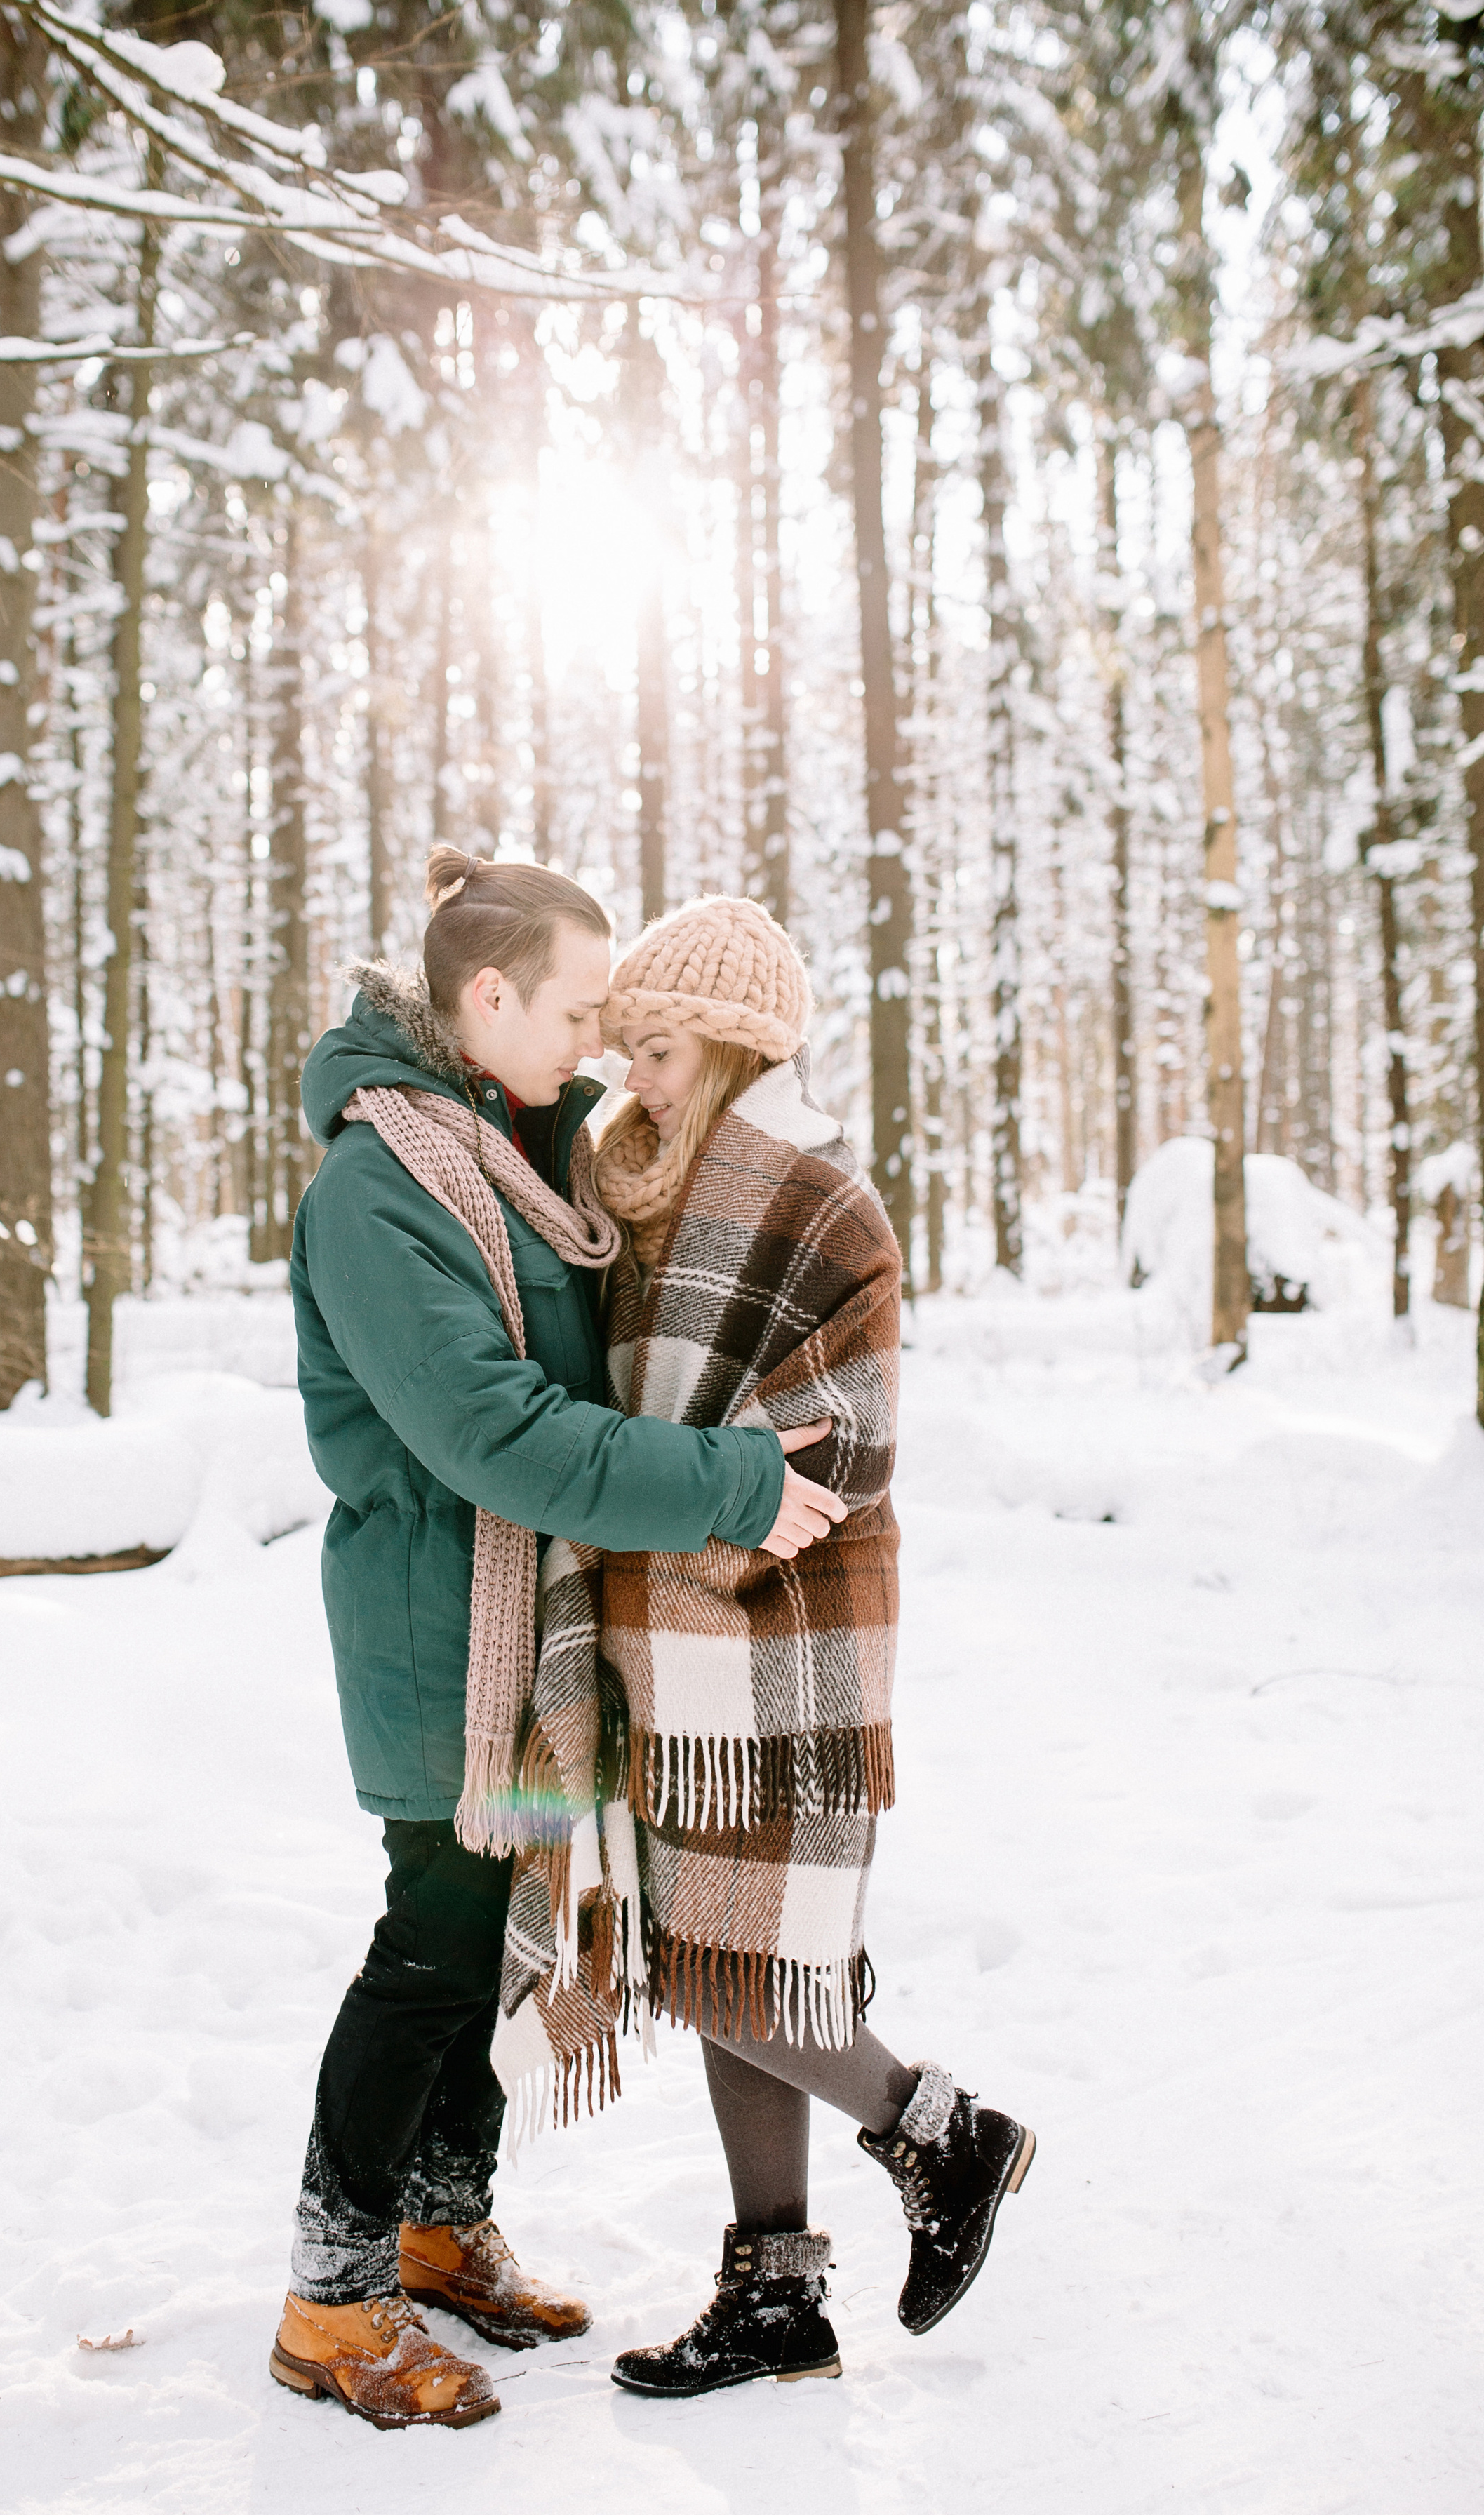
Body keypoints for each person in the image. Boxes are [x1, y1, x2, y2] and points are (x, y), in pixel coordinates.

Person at [270, 850, 848, 2432]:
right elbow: (500, 1433)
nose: (598, 1042)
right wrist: (727, 1483)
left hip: (517, 1643)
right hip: (438, 1642)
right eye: (579, 1008)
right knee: (432, 1950)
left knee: (482, 1942)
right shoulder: (381, 1185)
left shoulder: (505, 1149)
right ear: (486, 998)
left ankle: (440, 2225)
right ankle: (331, 2295)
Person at [492, 893, 1034, 2401]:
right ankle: (774, 2294)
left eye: (655, 1050)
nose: (631, 1080)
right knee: (726, 1952)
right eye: (621, 1050)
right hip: (654, 1647)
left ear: (728, 1049)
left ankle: (941, 2132)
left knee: (744, 1975)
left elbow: (843, 1439)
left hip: (778, 1640)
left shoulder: (822, 1209)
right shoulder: (628, 1202)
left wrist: (677, 1519)